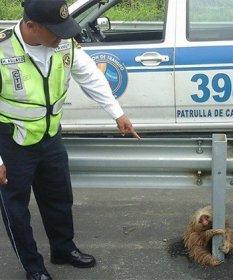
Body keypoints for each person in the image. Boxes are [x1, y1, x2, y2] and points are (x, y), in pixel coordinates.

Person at [0, 0, 140, 279]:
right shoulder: (2, 51)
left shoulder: (63, 43)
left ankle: (63, 249)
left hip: (50, 136)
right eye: (55, 31)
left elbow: (90, 76)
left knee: (59, 197)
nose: (62, 37)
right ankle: (34, 267)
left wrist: (117, 113)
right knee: (16, 210)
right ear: (31, 26)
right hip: (12, 142)